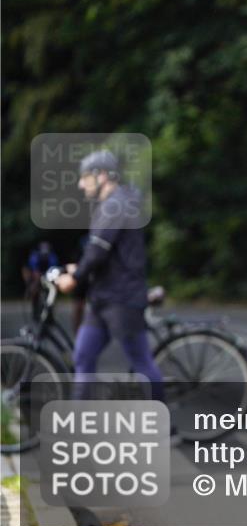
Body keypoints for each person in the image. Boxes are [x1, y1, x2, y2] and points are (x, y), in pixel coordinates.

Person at [54, 150, 164, 402]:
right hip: (103, 298)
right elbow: (101, 252)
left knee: (141, 362)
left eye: (84, 178)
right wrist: (78, 269)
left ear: (101, 175)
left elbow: (97, 252)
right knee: (83, 356)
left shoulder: (118, 204)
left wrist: (74, 278)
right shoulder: (110, 204)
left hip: (122, 299)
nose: (80, 184)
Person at [22, 241, 59, 320]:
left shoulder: (52, 256)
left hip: (47, 272)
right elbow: (35, 272)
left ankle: (50, 314)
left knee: (53, 290)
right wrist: (34, 284)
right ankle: (35, 310)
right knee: (34, 289)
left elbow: (54, 270)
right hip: (33, 272)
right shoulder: (35, 256)